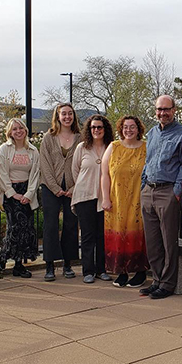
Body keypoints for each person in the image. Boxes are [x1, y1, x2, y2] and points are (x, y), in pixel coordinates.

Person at [139, 95, 182, 299]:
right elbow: (148, 160)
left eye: (166, 109)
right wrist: (144, 184)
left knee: (169, 241)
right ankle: (157, 279)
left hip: (168, 191)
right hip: (148, 191)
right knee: (152, 241)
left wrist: (177, 192)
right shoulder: (152, 133)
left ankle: (168, 284)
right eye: (159, 109)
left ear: (174, 110)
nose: (163, 113)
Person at [101, 116, 149, 288]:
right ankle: (121, 271)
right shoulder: (113, 147)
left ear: (138, 129)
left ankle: (140, 271)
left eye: (132, 127)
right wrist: (105, 198)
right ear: (120, 129)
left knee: (138, 234)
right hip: (116, 199)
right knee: (118, 234)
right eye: (125, 127)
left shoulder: (146, 148)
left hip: (139, 197)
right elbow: (104, 174)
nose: (129, 130)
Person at [0, 118, 40, 278]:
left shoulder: (33, 150)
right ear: (9, 132)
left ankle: (19, 265)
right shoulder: (4, 149)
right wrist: (12, 193)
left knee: (26, 230)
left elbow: (35, 174)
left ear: (26, 130)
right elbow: (0, 173)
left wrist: (28, 194)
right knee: (14, 228)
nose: (18, 131)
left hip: (27, 191)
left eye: (20, 128)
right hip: (10, 192)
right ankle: (4, 252)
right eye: (14, 129)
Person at [39, 103, 81, 281]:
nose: (67, 117)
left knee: (71, 225)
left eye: (70, 114)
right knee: (51, 226)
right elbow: (44, 164)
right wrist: (55, 188)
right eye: (63, 114)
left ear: (74, 116)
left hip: (73, 187)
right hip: (50, 188)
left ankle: (67, 264)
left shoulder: (80, 138)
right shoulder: (49, 137)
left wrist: (73, 188)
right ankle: (49, 265)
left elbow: (82, 165)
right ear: (57, 116)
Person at [72, 114, 113, 284]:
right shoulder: (82, 147)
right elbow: (75, 171)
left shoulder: (111, 147)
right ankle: (88, 271)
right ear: (89, 129)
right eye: (93, 127)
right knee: (88, 235)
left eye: (100, 127)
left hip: (105, 198)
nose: (96, 130)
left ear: (105, 130)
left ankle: (101, 269)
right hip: (84, 196)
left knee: (102, 235)